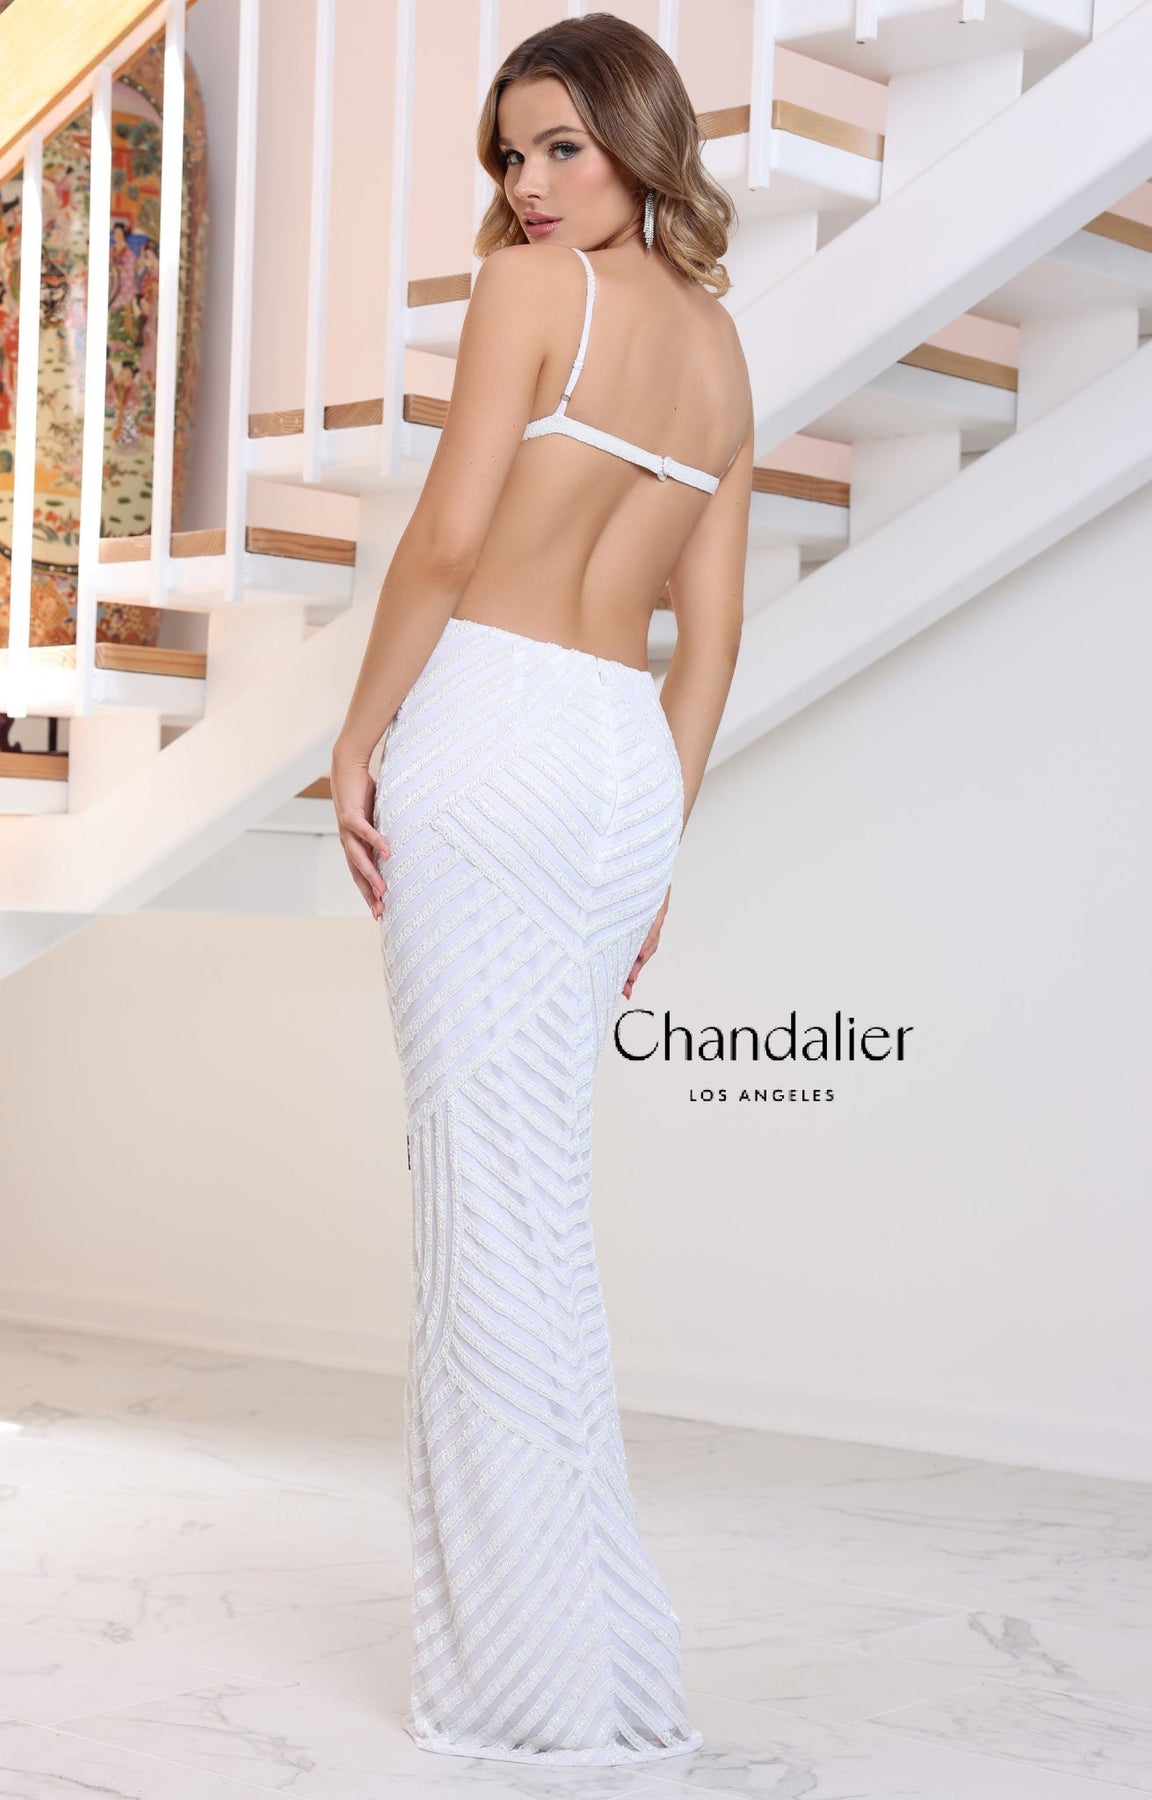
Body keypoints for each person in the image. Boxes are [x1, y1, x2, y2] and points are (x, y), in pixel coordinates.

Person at [331, 11, 752, 1767]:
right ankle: (598, 1651)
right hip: (616, 771)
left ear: (638, 139)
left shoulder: (531, 292)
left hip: (496, 733)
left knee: (483, 1205)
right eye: (511, 155)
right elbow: (708, 642)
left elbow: (446, 541)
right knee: (536, 1205)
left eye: (562, 146)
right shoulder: (719, 350)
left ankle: (528, 1682)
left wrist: (358, 736)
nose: (528, 184)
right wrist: (659, 840)